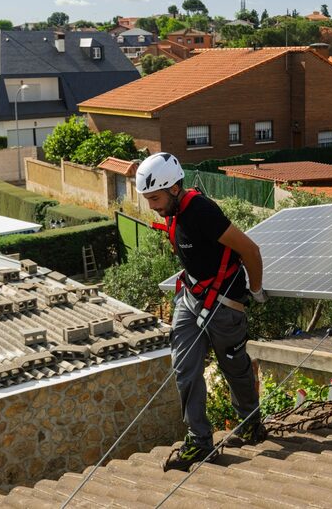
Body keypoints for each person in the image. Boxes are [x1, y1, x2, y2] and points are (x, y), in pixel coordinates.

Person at [135, 152, 268, 472]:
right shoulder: (173, 213)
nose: (152, 205)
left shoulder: (203, 211)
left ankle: (250, 422)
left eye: (155, 198)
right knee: (184, 367)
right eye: (148, 199)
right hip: (191, 299)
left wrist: (256, 290)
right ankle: (199, 441)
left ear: (174, 189)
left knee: (234, 368)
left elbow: (249, 249)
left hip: (225, 305)